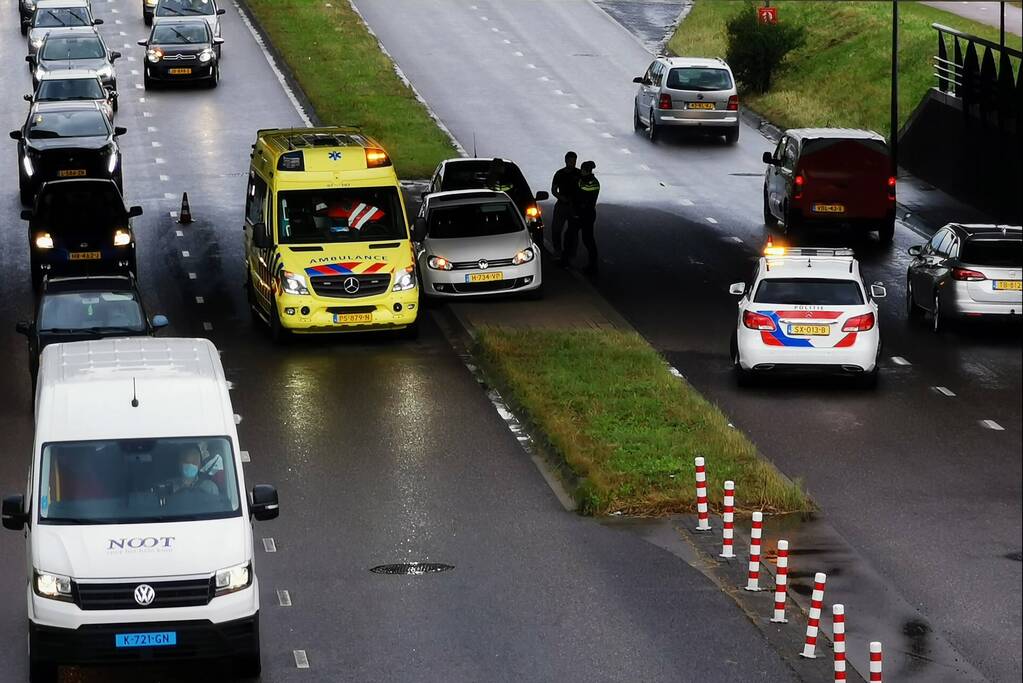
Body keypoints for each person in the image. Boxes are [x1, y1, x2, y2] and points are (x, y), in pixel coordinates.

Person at [560, 160, 600, 274]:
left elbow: (579, 198)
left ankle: (565, 261)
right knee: (588, 240)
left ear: (584, 170)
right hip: (588, 215)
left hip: (581, 215)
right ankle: (593, 265)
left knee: (570, 237)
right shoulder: (594, 182)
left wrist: (575, 212)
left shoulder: (584, 182)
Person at [549, 151, 579, 255]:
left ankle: (571, 253)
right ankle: (557, 250)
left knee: (573, 231)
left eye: (574, 161)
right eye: (571, 161)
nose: (573, 163)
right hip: (562, 205)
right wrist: (561, 198)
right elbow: (553, 190)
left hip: (574, 206)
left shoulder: (579, 173)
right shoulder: (559, 174)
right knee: (556, 229)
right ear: (566, 161)